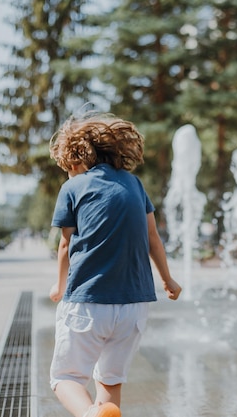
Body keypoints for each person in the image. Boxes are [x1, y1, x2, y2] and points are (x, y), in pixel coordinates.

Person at [48, 112, 182, 417]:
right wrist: (168, 280)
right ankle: (104, 412)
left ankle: (89, 414)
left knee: (65, 377)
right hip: (134, 307)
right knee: (111, 379)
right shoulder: (134, 184)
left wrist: (59, 285)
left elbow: (66, 244)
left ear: (75, 159)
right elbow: (153, 238)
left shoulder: (74, 187)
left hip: (88, 302)